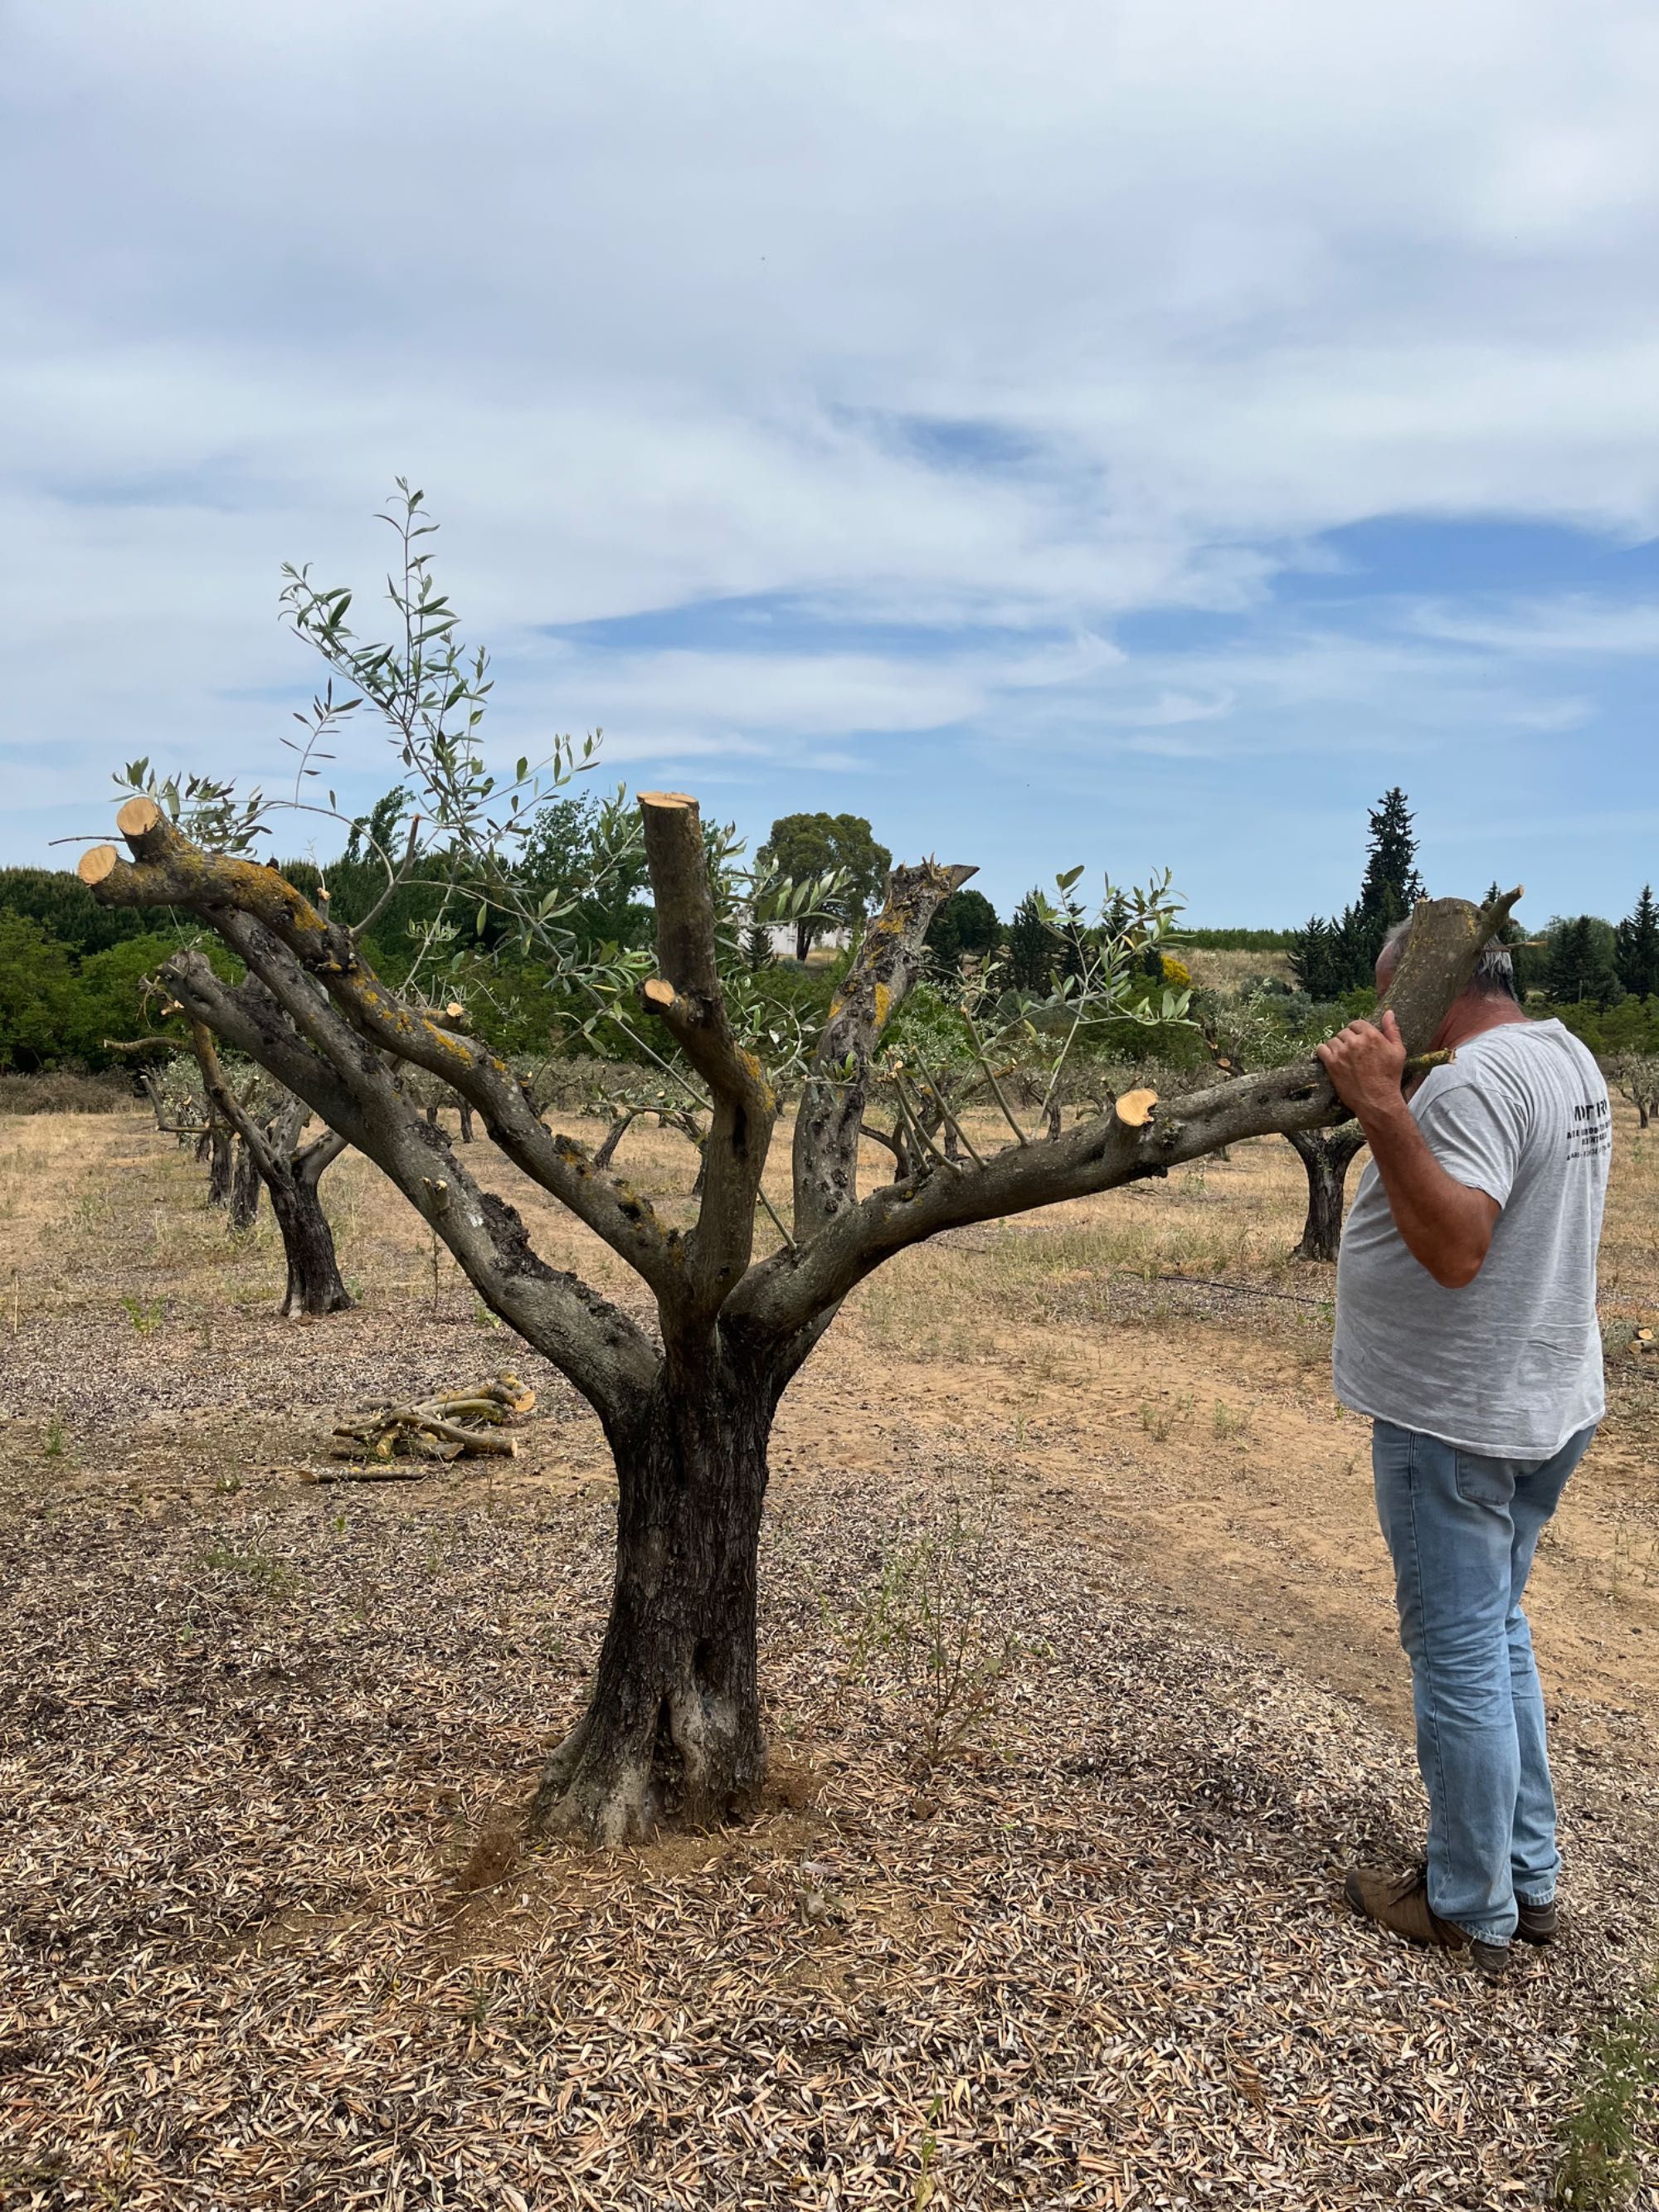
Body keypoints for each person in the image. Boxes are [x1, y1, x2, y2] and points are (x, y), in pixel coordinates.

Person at [1316, 921, 1610, 1977]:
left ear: (1436, 982)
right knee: (1494, 1635)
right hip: (1537, 1402)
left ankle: (1467, 1905)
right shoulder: (1563, 1055)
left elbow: (1453, 1248)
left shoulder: (1468, 1084)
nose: (1383, 1018)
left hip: (1458, 1423)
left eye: (1392, 995)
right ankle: (1525, 1880)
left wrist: (1384, 1105)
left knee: (1456, 1658)